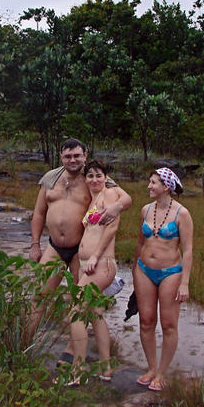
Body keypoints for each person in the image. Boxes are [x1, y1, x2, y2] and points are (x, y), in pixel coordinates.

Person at [27, 139, 131, 348]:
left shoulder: (93, 177)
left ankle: (72, 351)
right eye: (67, 156)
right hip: (54, 247)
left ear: (85, 155)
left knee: (80, 303)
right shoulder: (50, 178)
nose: (72, 160)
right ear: (61, 157)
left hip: (79, 251)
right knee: (39, 295)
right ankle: (22, 345)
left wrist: (115, 207)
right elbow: (39, 213)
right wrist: (35, 243)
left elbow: (126, 198)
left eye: (77, 156)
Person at [132, 167, 194, 392]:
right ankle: (151, 368)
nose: (149, 186)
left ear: (166, 187)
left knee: (168, 324)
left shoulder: (182, 214)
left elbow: (187, 250)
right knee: (146, 320)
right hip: (144, 271)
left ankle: (162, 372)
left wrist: (185, 282)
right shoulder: (145, 210)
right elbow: (140, 243)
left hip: (171, 273)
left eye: (153, 183)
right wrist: (134, 269)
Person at [68, 160, 121, 384]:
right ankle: (106, 368)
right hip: (88, 265)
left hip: (100, 264)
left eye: (99, 175)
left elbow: (112, 228)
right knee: (95, 313)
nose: (94, 180)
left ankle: (78, 370)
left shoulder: (109, 195)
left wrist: (94, 256)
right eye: (90, 176)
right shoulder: (94, 199)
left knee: (76, 312)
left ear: (106, 177)